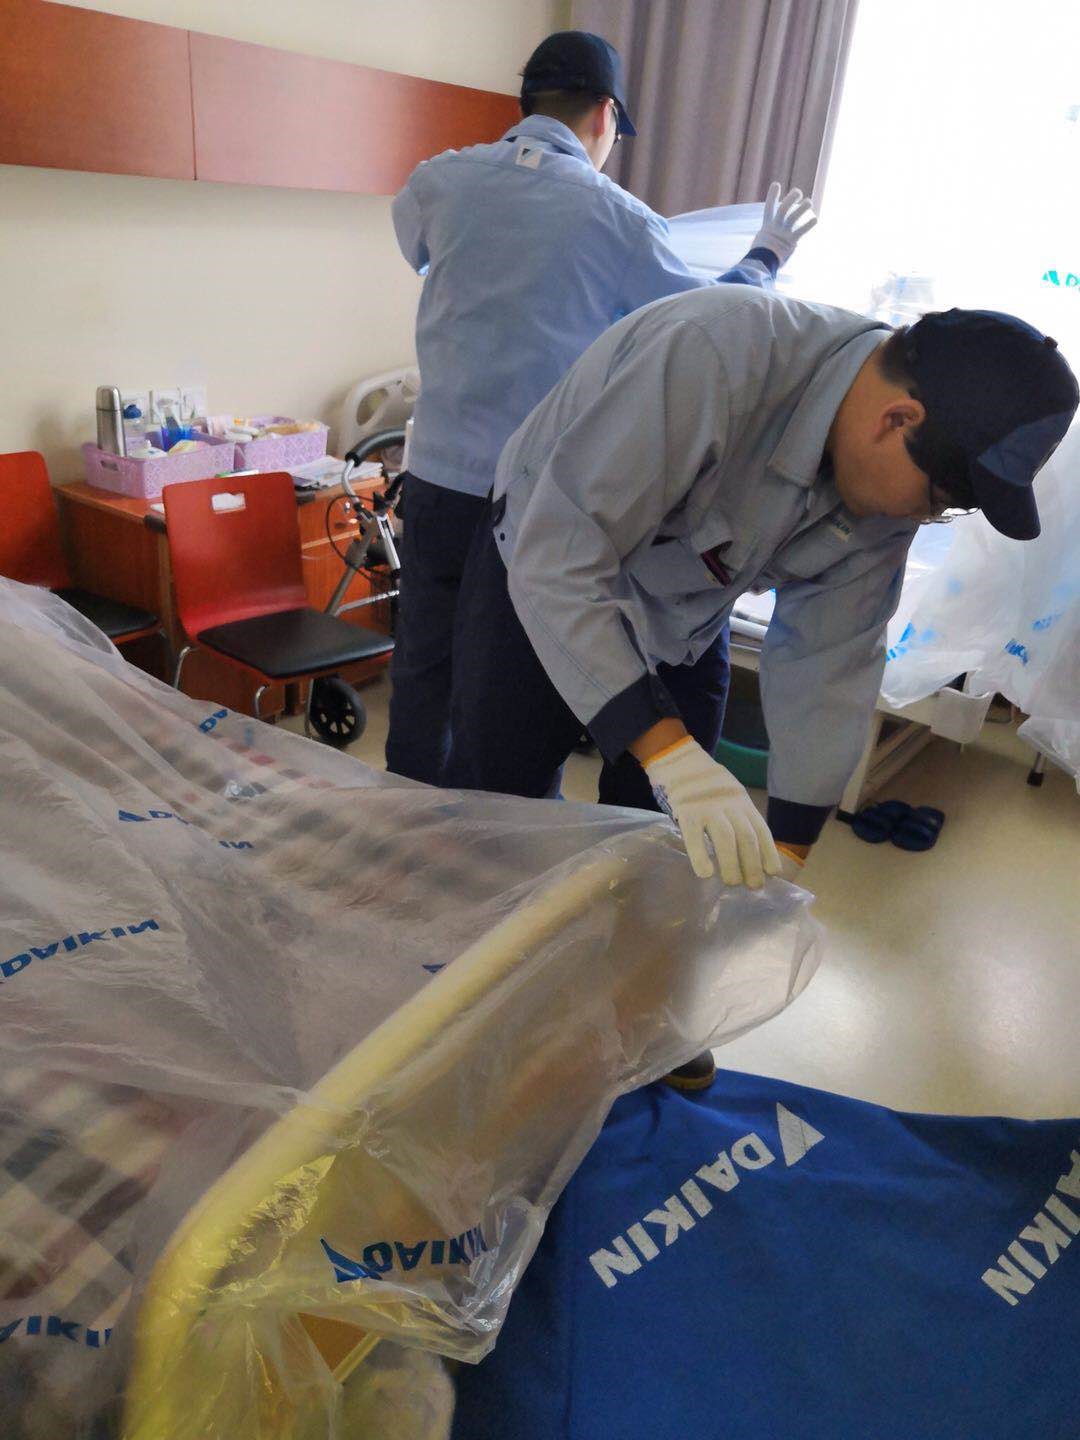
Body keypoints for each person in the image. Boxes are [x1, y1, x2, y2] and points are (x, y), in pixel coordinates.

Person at [443, 290, 1078, 895]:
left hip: (686, 604)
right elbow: (562, 555)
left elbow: (831, 657)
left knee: (666, 846)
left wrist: (789, 849)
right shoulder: (711, 355)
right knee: (498, 814)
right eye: (941, 499)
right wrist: (668, 753)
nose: (927, 516)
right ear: (897, 420)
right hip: (543, 562)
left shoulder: (889, 492)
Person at [385, 29, 817, 784]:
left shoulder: (437, 181)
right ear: (605, 114)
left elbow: (421, 253)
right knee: (510, 694)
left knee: (424, 667)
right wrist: (765, 255)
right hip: (526, 502)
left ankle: (405, 820)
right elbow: (709, 318)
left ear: (528, 104)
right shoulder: (618, 218)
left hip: (435, 478)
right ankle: (498, 836)